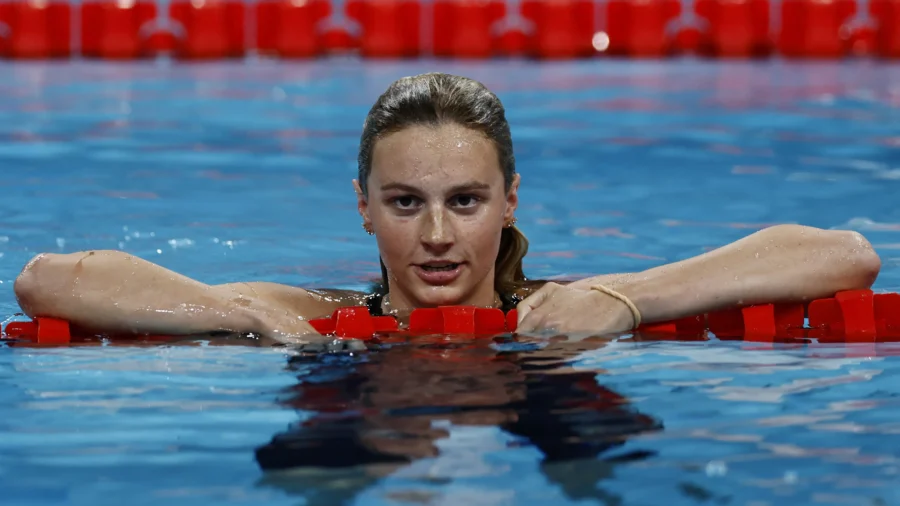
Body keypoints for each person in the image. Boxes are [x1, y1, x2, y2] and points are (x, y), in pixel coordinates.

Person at [12, 73, 882, 344]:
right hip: (349, 414)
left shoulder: (565, 304)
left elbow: (844, 255)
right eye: (404, 202)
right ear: (363, 209)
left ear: (509, 203)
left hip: (541, 407)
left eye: (465, 201)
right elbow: (50, 279)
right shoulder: (310, 317)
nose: (434, 235)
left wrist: (634, 297)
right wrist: (235, 318)